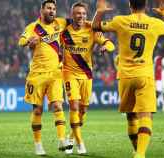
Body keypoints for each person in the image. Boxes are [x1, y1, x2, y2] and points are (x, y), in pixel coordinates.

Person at [92, 0, 164, 158]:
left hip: (125, 76)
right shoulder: (155, 22)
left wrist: (100, 10)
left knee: (131, 116)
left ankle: (136, 151)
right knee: (145, 116)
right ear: (145, 5)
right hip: (144, 75)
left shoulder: (120, 21)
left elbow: (95, 26)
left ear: (130, 5)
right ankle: (140, 154)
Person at [18, 0, 71, 155]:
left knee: (58, 106)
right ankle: (38, 144)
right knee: (38, 111)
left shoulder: (59, 23)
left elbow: (77, 20)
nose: (52, 11)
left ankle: (62, 140)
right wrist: (29, 41)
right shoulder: (32, 27)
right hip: (37, 75)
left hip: (55, 74)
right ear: (42, 10)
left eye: (54, 8)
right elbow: (21, 41)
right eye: (49, 8)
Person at [61, 2, 115, 155]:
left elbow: (109, 43)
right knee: (74, 106)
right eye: (78, 13)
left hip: (86, 75)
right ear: (72, 15)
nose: (81, 16)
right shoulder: (64, 31)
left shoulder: (91, 28)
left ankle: (71, 137)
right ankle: (80, 143)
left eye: (84, 14)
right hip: (69, 73)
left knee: (83, 111)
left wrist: (106, 47)